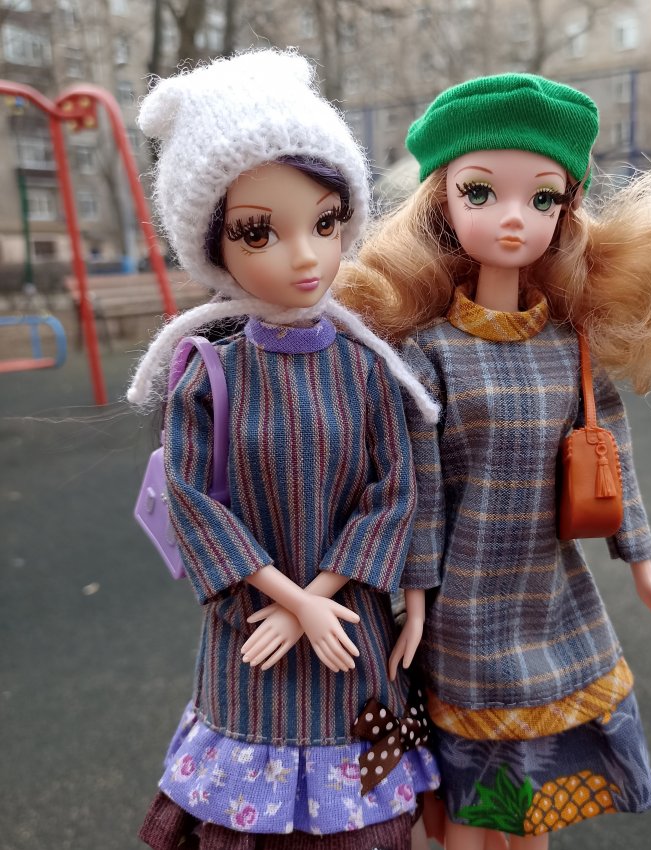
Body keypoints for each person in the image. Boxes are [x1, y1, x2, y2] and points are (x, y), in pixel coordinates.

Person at [338, 73, 651, 850]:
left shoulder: (570, 348)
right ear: (442, 204)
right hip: (462, 605)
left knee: (532, 809)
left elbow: (612, 459)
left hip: (550, 594)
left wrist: (642, 566)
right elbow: (417, 489)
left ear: (566, 212)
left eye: (542, 199)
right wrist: (415, 595)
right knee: (472, 809)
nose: (513, 218)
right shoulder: (430, 352)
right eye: (481, 193)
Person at [126, 49, 440, 850]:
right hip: (250, 636)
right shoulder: (209, 373)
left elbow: (393, 492)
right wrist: (291, 601)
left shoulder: (366, 368)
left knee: (362, 822)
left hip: (348, 637)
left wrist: (318, 598)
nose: (305, 255)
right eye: (260, 231)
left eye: (326, 223)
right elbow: (195, 503)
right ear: (216, 244)